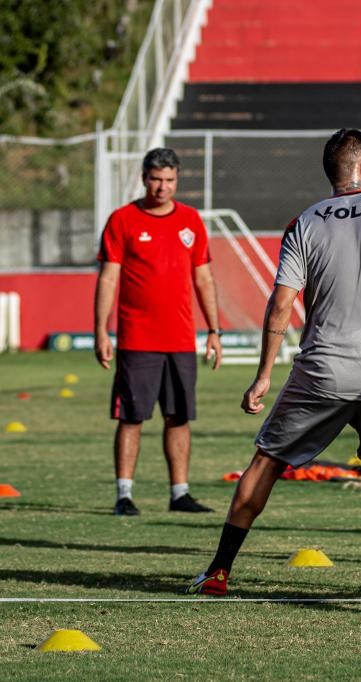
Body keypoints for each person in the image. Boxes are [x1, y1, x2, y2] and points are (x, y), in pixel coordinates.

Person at [187, 129, 361, 597]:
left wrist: (263, 376)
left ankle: (218, 571)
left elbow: (280, 304)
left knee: (267, 461)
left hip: (324, 371)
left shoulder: (304, 223)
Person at [94, 147, 223, 516]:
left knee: (178, 417)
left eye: (169, 180)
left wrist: (213, 330)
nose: (162, 187)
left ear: (177, 179)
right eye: (156, 179)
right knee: (132, 416)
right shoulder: (122, 220)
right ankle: (124, 495)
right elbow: (108, 279)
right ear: (144, 178)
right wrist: (101, 331)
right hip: (137, 338)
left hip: (181, 338)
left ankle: (179, 493)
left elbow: (203, 277)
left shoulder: (191, 221)